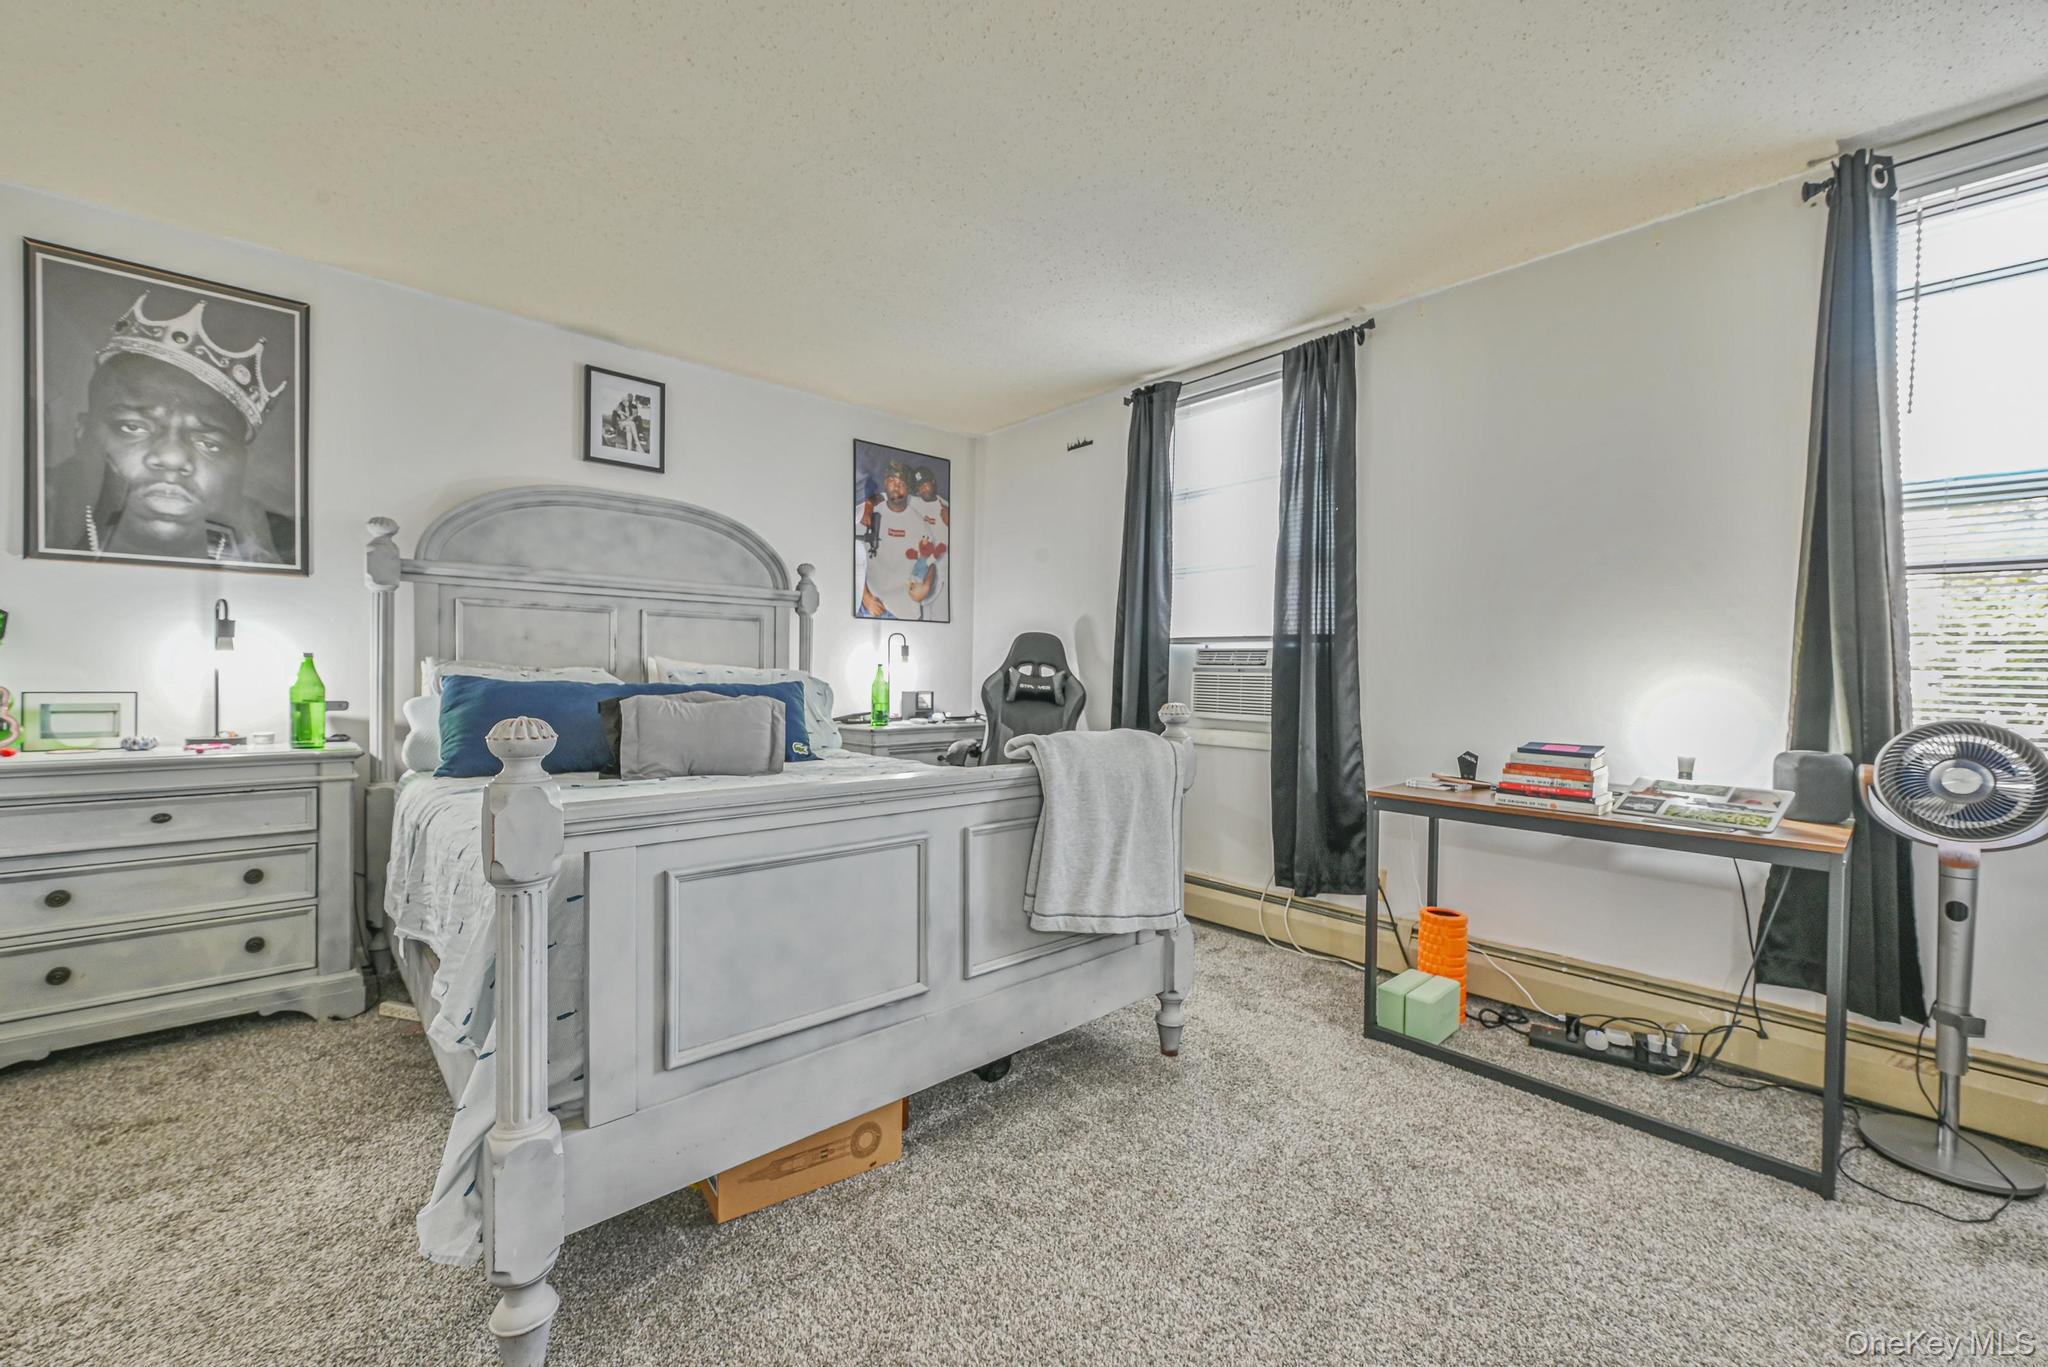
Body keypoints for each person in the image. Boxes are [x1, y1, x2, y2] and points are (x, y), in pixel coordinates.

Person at [42, 295, 289, 565]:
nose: (172, 457)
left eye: (210, 444)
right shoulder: (38, 510)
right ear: (81, 431)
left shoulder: (273, 543)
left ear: (241, 464)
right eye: (133, 427)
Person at [855, 459, 938, 618]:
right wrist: (865, 597)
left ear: (909, 489)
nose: (896, 485)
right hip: (873, 608)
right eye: (892, 480)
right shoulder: (868, 516)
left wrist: (926, 586)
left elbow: (931, 562)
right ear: (885, 483)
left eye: (902, 482)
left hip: (907, 613)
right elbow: (853, 559)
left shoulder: (919, 524)